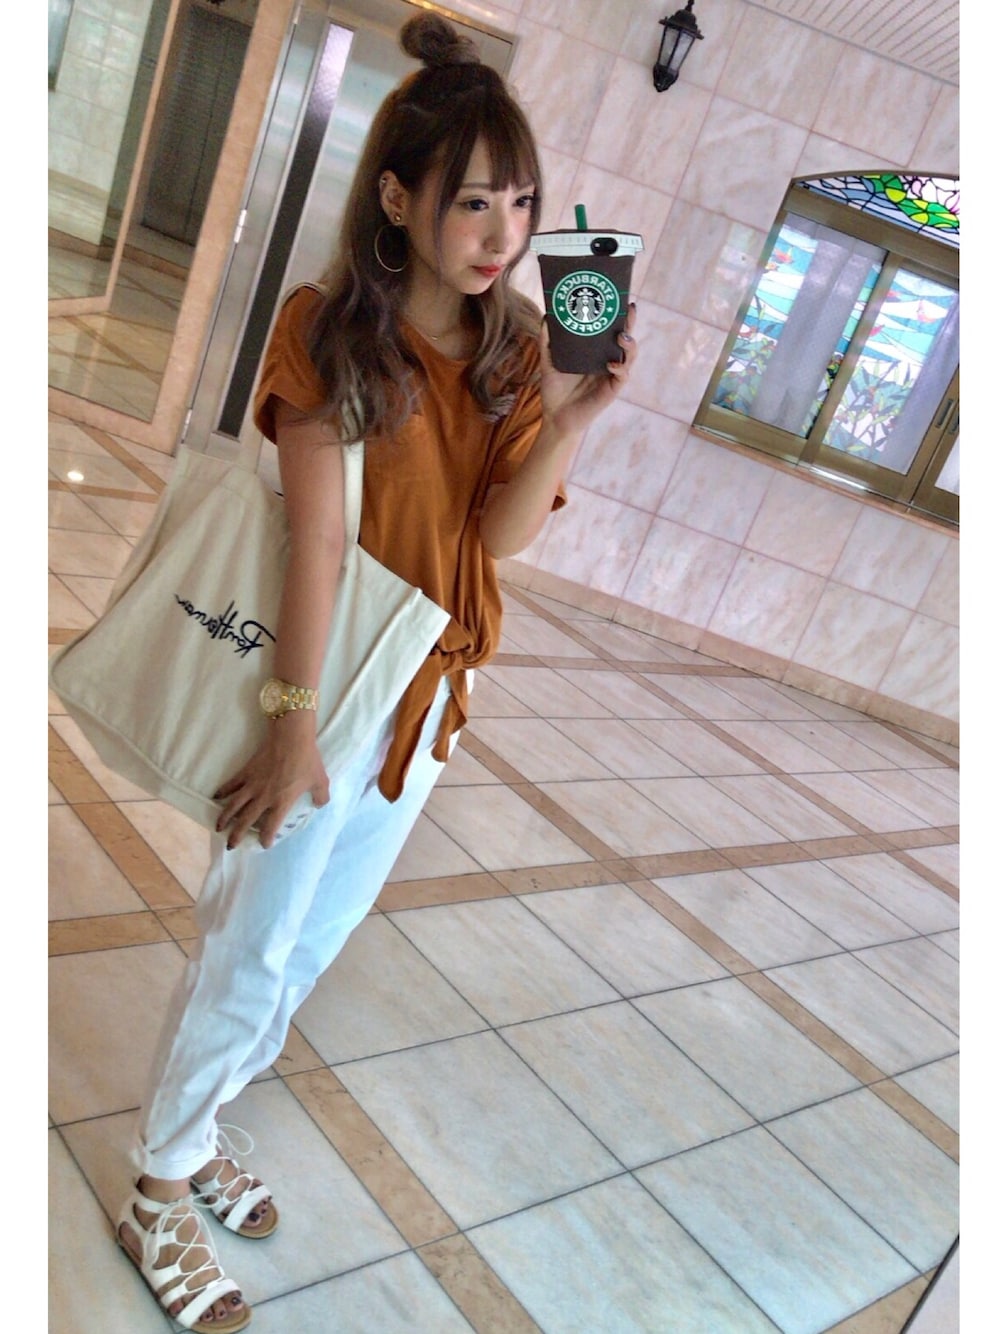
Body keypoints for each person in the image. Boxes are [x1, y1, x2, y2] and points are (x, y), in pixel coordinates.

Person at [115, 12, 638, 1330]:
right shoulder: (330, 332)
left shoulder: (516, 351)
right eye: (473, 200)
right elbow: (317, 542)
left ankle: (197, 1125)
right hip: (320, 687)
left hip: (423, 705)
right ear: (399, 199)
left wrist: (570, 417)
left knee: (303, 950)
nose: (503, 232)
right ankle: (158, 1191)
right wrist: (291, 724)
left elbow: (496, 540)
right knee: (249, 949)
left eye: (521, 203)